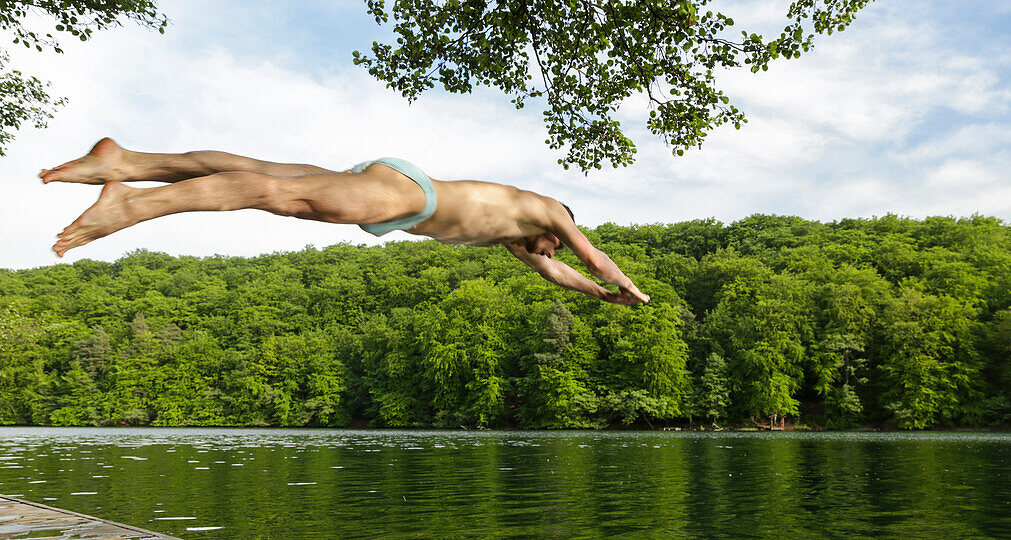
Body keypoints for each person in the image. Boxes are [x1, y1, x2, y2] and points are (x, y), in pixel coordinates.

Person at [41, 139, 650, 305]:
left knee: (266, 169)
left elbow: (565, 275)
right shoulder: (544, 210)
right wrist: (626, 283)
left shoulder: (518, 243)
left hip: (397, 186)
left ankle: (126, 162)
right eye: (554, 242)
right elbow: (590, 255)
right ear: (559, 220)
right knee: (280, 196)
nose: (552, 251)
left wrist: (599, 295)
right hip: (410, 196)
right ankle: (129, 205)